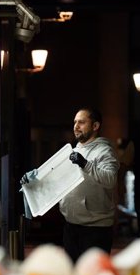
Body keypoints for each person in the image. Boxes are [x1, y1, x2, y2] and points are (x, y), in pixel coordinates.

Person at [21, 107, 119, 262]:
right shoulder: (73, 151)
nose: (76, 126)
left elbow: (110, 179)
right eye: (75, 122)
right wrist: (33, 181)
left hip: (95, 229)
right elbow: (55, 182)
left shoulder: (105, 151)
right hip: (71, 227)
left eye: (81, 122)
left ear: (95, 126)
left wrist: (85, 164)